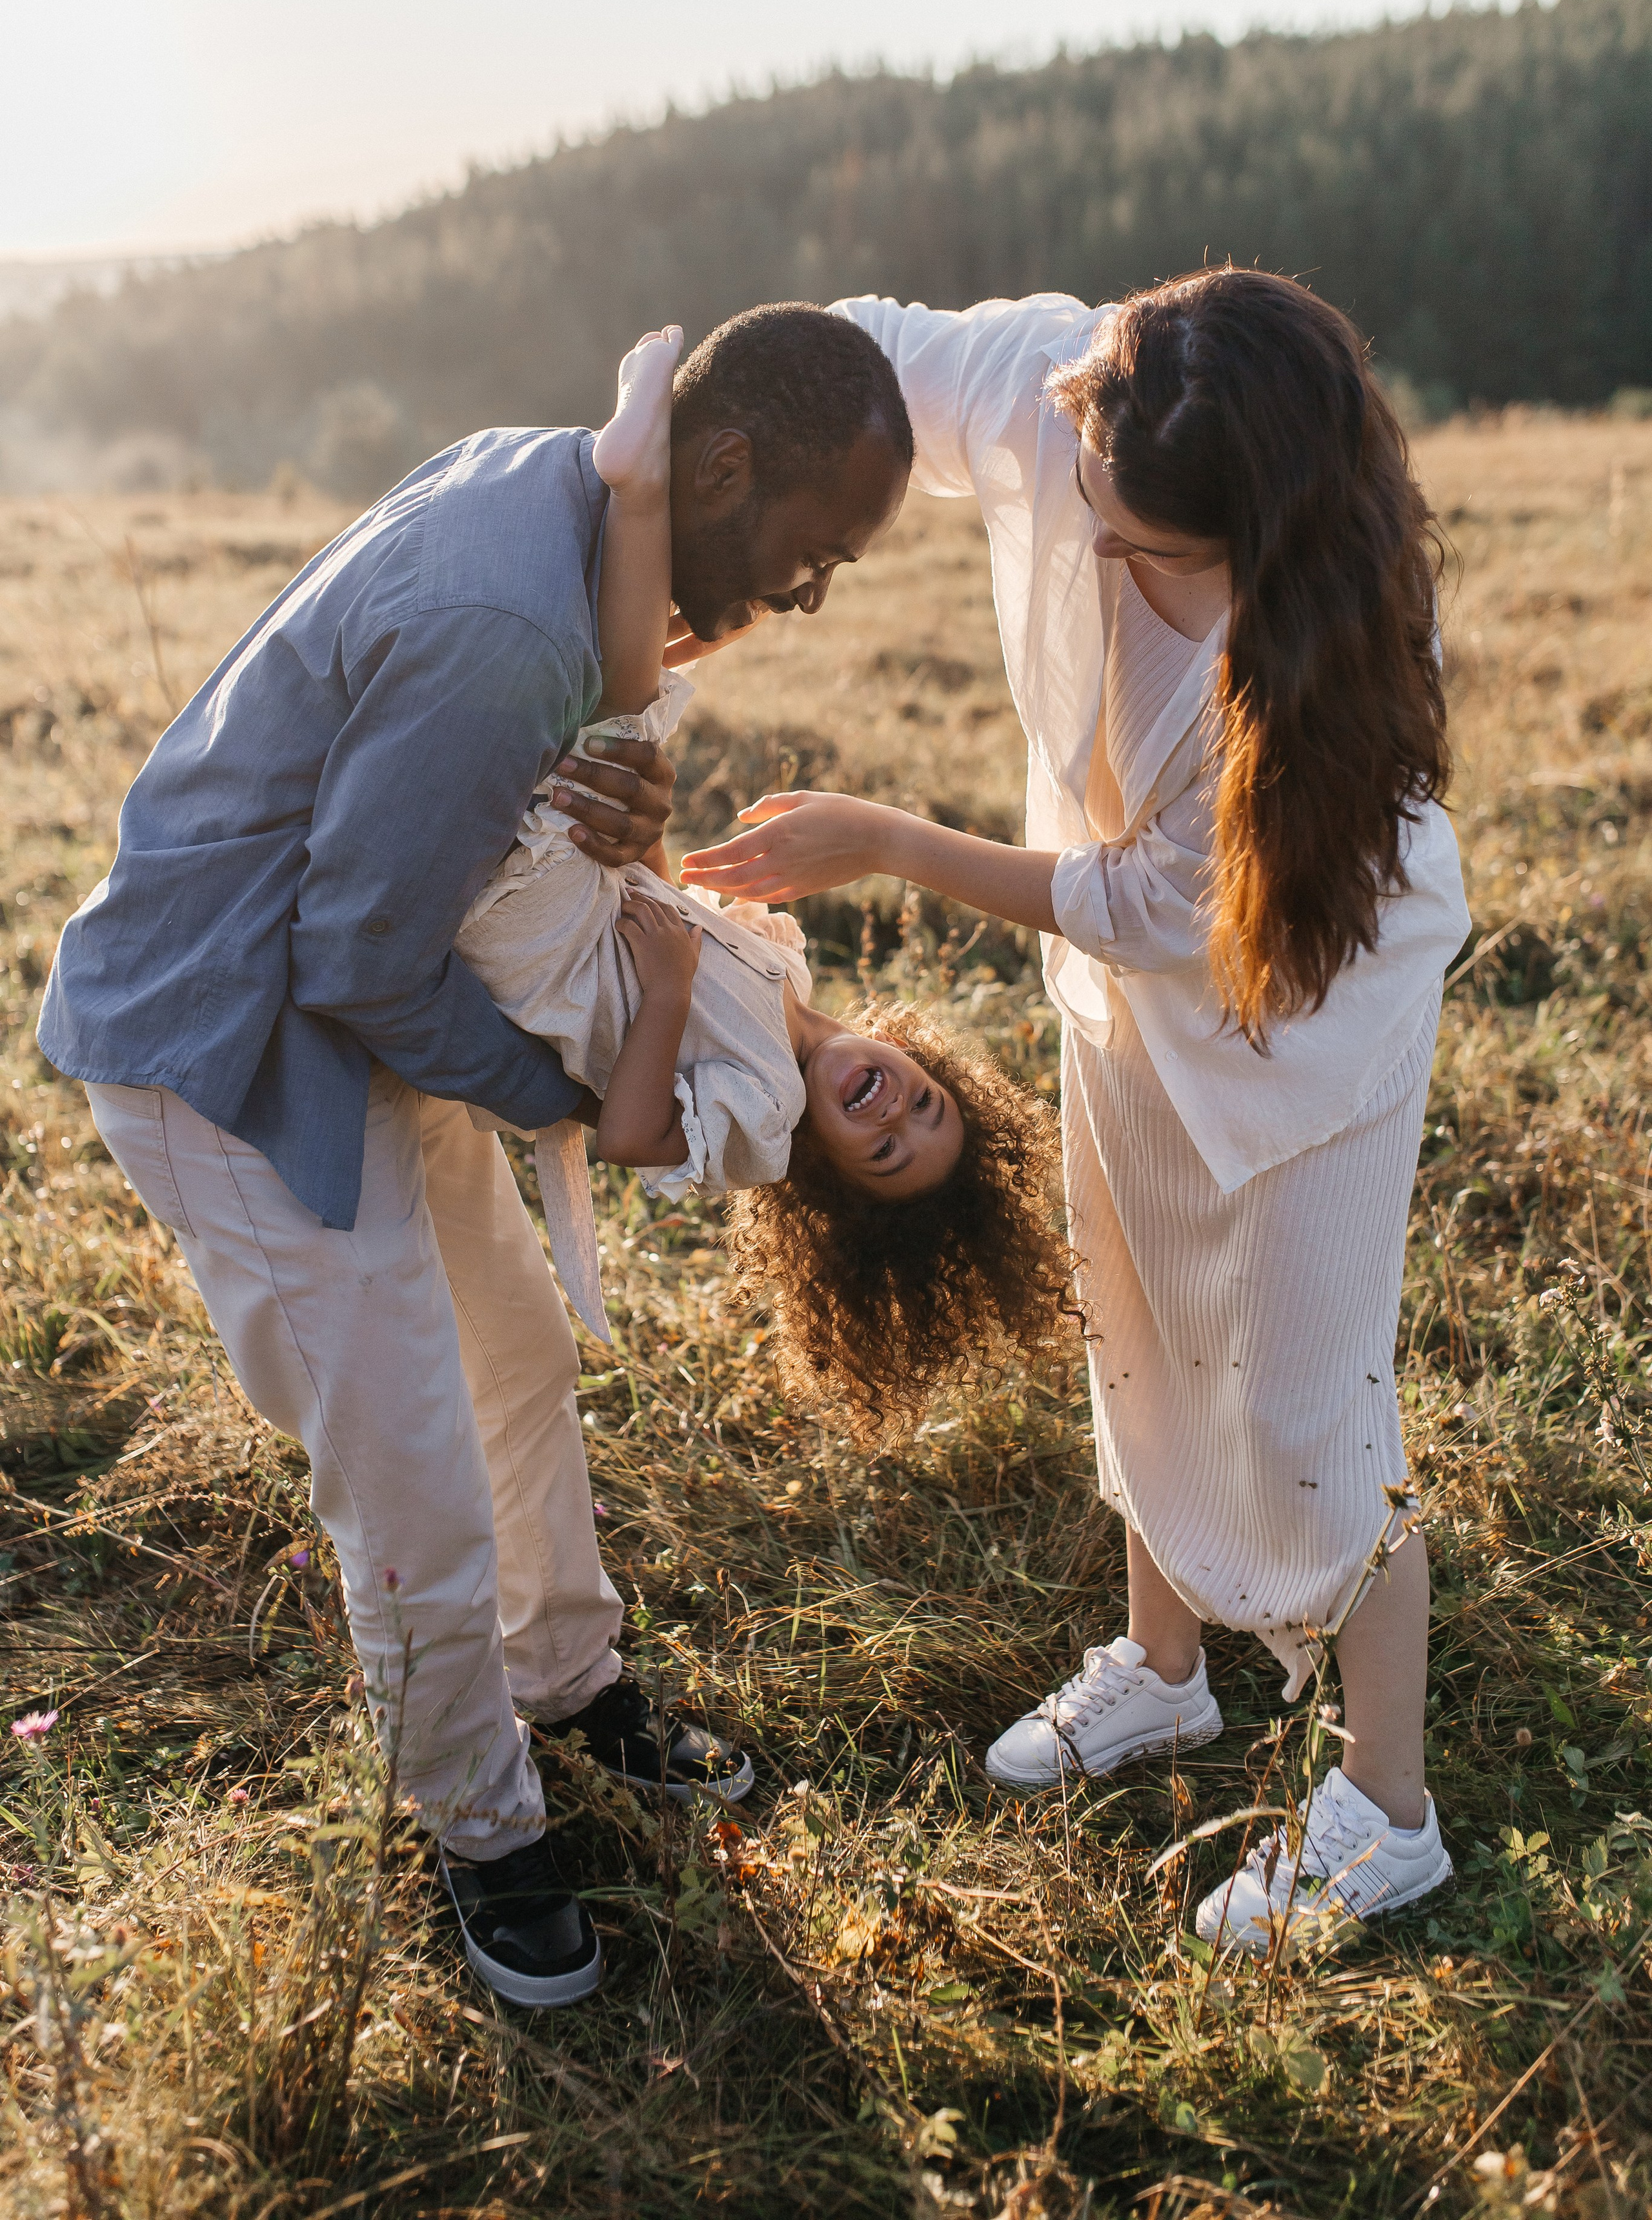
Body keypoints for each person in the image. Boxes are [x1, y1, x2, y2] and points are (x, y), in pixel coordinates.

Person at [37, 303, 913, 2010]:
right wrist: (570, 1096)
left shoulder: (583, 508)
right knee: (412, 1457)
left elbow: (471, 844)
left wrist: (623, 825)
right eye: (813, 556)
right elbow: (356, 958)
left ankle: (569, 1681)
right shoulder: (510, 619)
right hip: (234, 1046)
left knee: (511, 1344)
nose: (810, 597)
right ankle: (480, 1821)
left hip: (370, 998)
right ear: (719, 464)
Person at [681, 267, 1473, 1959]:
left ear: (1259, 531)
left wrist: (885, 838)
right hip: (1124, 1007)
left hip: (1299, 1023)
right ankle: (1165, 1677)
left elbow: (1146, 903)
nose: (1100, 558)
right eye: (1094, 515)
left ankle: (1388, 1816)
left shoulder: (1314, 666)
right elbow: (846, 358)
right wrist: (666, 515)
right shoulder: (1065, 383)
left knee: (1305, 1418)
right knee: (1138, 1329)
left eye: (1146, 550)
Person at [456, 327, 1071, 1437]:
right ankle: (681, 542)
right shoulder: (786, 984)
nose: (893, 1112)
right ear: (928, 1064)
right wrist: (643, 827)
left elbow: (632, 1137)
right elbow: (656, 902)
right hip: (582, 901)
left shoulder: (763, 1121)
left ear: (832, 1178)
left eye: (885, 1151)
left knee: (622, 703)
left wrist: (675, 994)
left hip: (536, 942)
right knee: (624, 709)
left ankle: (635, 482)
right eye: (926, 1104)